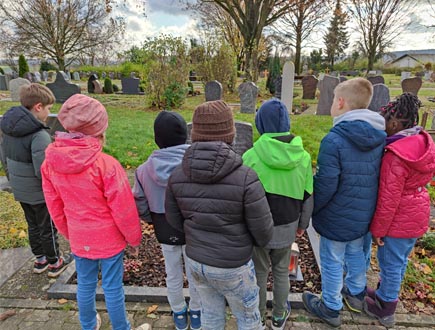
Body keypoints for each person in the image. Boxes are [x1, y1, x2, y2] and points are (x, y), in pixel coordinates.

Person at [41, 94, 150, 330]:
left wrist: (69, 233)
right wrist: (134, 238)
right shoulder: (106, 165)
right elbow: (123, 209)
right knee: (112, 287)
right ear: (99, 128)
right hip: (109, 239)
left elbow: (54, 206)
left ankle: (88, 325)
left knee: (85, 285)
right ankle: (122, 327)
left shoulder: (49, 163)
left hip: (80, 237)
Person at [165, 100, 274, 330]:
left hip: (197, 263)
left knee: (211, 318)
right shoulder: (246, 178)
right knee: (248, 319)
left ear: (194, 135)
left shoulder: (176, 175)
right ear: (230, 135)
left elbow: (175, 222)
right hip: (234, 266)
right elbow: (264, 233)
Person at [302, 78, 386, 328]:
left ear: (340, 102)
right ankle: (357, 294)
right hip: (363, 214)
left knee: (332, 260)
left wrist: (313, 208)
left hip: (336, 216)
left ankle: (330, 306)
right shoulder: (379, 136)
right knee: (357, 254)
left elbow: (327, 183)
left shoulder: (334, 140)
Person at [364, 93, 435, 327]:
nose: (381, 125)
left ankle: (386, 308)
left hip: (399, 217)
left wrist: (378, 230)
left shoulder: (396, 156)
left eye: (384, 120)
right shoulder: (420, 142)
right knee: (399, 260)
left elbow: (388, 199)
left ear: (394, 124)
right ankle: (385, 292)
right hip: (416, 212)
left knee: (390, 262)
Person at [242, 99, 313, 330]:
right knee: (282, 272)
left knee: (259, 273)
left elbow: (242, 197)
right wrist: (302, 225)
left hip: (258, 229)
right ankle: (280, 315)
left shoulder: (251, 156)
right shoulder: (303, 157)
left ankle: (260, 317)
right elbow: (307, 195)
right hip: (288, 225)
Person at [132, 110, 201, 330]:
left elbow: (140, 200)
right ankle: (197, 312)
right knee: (195, 274)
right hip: (192, 226)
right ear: (185, 136)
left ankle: (179, 313)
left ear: (156, 138)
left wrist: (149, 219)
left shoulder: (143, 170)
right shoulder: (195, 165)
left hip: (164, 226)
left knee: (172, 273)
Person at [0, 83, 71, 277]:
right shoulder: (39, 135)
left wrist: (13, 180)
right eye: (48, 109)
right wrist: (56, 189)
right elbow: (44, 170)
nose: (49, 113)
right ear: (38, 107)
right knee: (47, 226)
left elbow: (4, 157)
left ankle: (39, 259)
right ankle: (55, 261)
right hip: (39, 192)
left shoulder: (7, 128)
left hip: (20, 189)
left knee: (32, 224)